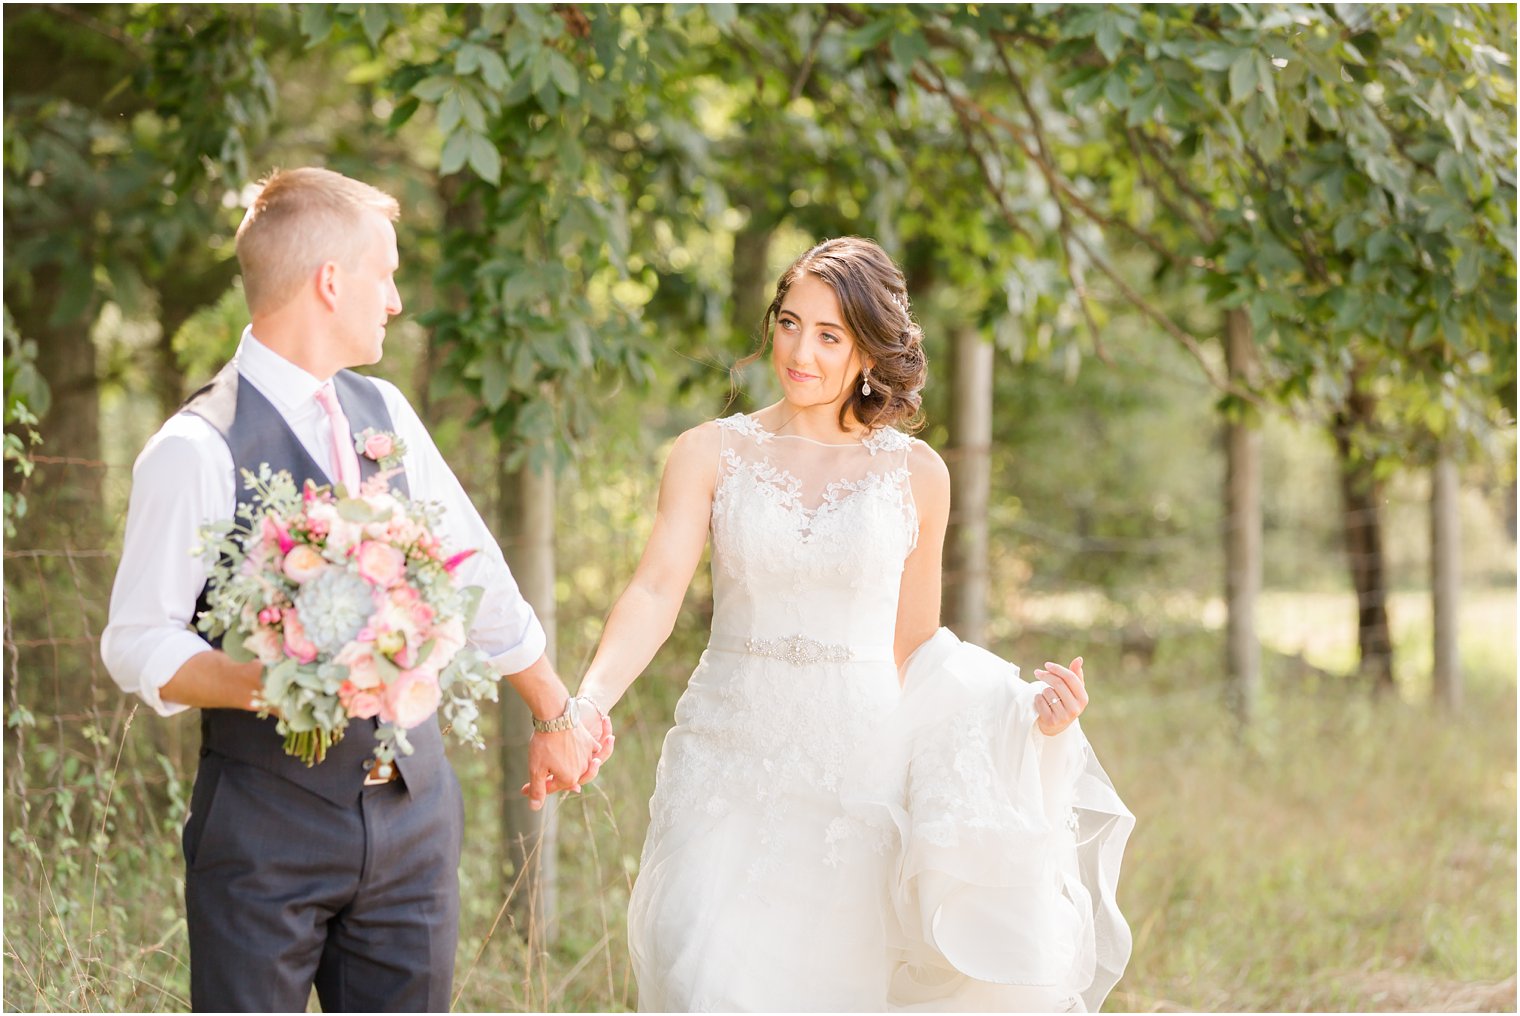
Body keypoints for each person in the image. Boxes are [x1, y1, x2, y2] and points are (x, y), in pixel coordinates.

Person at [568, 237, 1134, 1011]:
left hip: (856, 777)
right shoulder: (708, 453)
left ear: (869, 349)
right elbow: (654, 591)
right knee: (703, 976)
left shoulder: (917, 475)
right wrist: (588, 700)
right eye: (790, 322)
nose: (800, 350)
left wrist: (1023, 717)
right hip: (724, 760)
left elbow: (918, 649)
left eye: (829, 335)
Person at [101, 167, 612, 1012]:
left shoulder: (388, 412)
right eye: (388, 273)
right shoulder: (195, 448)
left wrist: (553, 711)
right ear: (331, 282)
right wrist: (277, 686)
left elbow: (472, 569)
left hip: (415, 819)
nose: (397, 300)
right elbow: (135, 639)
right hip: (265, 827)